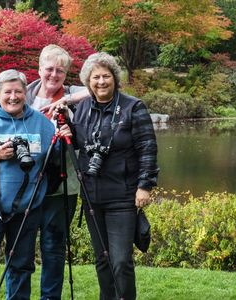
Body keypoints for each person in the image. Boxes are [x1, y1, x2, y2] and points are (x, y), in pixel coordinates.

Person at [0, 69, 71, 299]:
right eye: (7, 92)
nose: (13, 97)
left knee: (21, 268)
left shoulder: (42, 123)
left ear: (25, 93)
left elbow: (55, 158)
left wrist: (66, 135)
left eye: (18, 91)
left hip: (27, 211)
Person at [71, 52, 159, 300]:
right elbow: (78, 143)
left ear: (115, 78)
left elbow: (148, 148)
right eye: (95, 77)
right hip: (91, 196)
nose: (101, 82)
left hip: (122, 195)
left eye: (106, 76)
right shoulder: (82, 109)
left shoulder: (133, 107)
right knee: (102, 259)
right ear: (88, 81)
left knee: (120, 261)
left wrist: (145, 185)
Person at [25, 44, 89, 300]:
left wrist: (66, 101)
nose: (53, 75)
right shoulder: (23, 94)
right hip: (26, 186)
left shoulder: (74, 95)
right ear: (39, 69)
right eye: (49, 69)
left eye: (60, 71)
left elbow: (109, 87)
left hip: (63, 186)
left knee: (53, 248)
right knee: (22, 248)